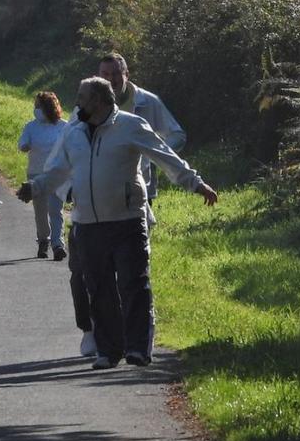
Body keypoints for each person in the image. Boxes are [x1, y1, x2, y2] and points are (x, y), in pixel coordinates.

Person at [16, 77, 217, 370]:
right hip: (87, 223)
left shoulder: (130, 126)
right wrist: (35, 187)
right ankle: (109, 351)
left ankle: (137, 348)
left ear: (98, 100)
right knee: (98, 289)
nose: (78, 103)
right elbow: (57, 171)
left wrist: (196, 184)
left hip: (127, 220)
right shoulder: (73, 132)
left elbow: (165, 156)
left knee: (134, 284)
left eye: (82, 97)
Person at [98, 53, 187, 201]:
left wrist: (151, 153)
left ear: (126, 74)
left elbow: (177, 135)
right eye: (105, 74)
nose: (110, 80)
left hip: (140, 190)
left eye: (116, 74)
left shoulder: (148, 101)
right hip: (101, 190)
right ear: (98, 76)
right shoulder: (89, 103)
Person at [18, 92, 67, 260]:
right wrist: (25, 146)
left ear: (49, 107)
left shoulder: (63, 126)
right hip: (35, 174)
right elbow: (22, 144)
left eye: (39, 106)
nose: (36, 110)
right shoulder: (30, 126)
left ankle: (57, 243)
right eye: (35, 106)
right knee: (40, 211)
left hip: (57, 174)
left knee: (55, 209)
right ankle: (43, 240)